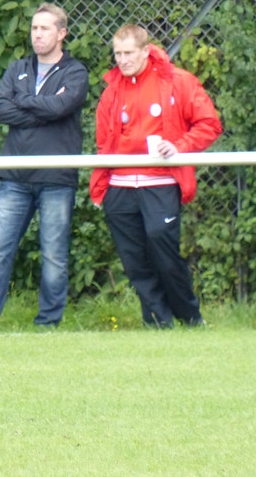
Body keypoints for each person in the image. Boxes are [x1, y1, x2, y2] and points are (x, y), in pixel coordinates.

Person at [0, 3, 89, 333]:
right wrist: (45, 111)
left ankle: (48, 324)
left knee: (53, 256)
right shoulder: (18, 68)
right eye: (34, 28)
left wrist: (22, 102)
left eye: (45, 29)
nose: (37, 34)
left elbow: (63, 106)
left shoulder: (75, 72)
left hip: (56, 178)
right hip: (15, 178)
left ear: (62, 33)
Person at [90, 24, 221, 327]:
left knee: (163, 248)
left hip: (161, 182)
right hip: (120, 186)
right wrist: (102, 187)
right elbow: (103, 143)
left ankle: (190, 317)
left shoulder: (178, 81)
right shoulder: (112, 91)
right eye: (117, 54)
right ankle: (158, 322)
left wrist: (178, 146)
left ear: (146, 51)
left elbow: (209, 124)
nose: (122, 60)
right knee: (133, 260)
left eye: (128, 53)